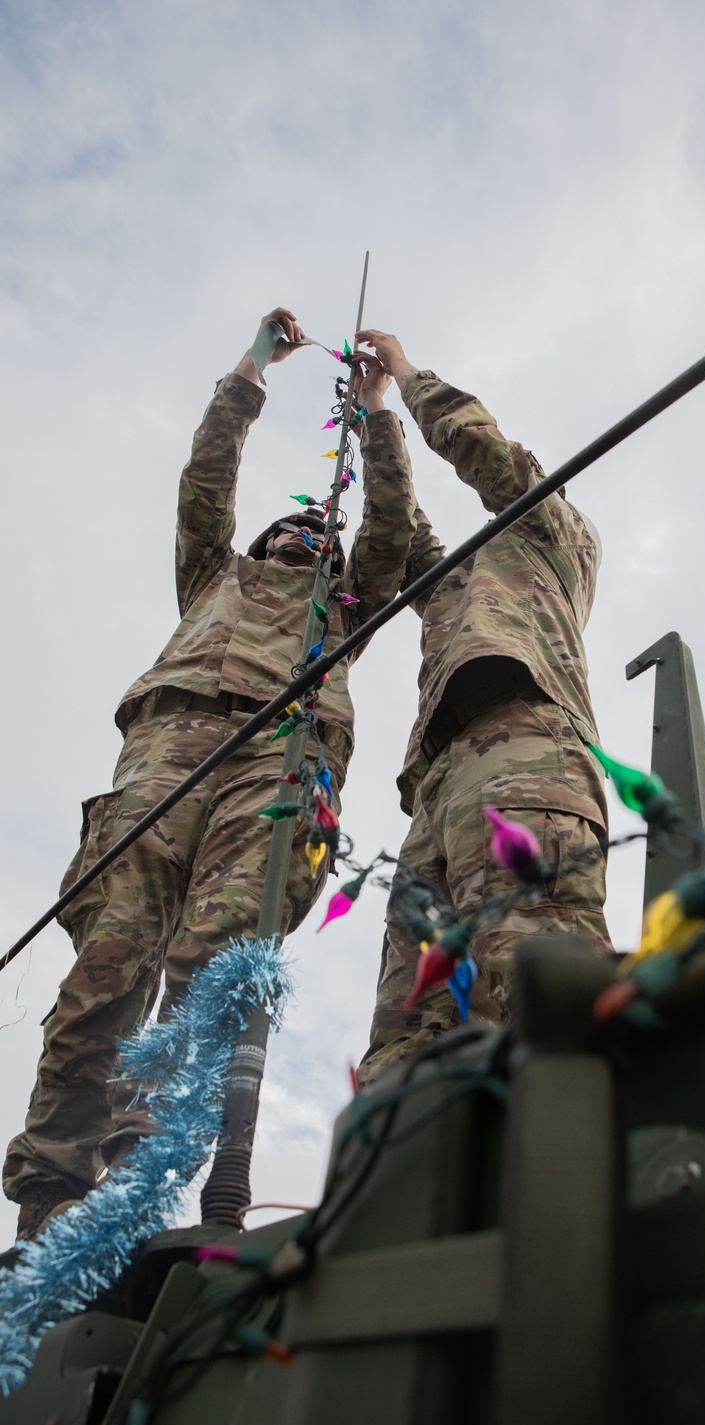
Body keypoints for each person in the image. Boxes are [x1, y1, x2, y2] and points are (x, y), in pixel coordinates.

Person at [3, 309, 414, 1245]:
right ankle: (47, 1207)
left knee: (210, 969)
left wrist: (377, 408)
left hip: (277, 762)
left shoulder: (343, 613)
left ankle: (130, 1193)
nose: (309, 533)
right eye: (293, 526)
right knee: (101, 980)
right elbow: (207, 476)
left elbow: (386, 519)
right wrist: (255, 368)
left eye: (324, 532)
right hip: (161, 762)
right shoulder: (213, 579)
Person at [352, 330, 611, 1084]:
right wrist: (373, 418)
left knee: (533, 967)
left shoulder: (555, 539)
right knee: (410, 1029)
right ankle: (412, 1177)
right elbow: (401, 536)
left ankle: (576, 1156)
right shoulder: (454, 589)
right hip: (439, 781)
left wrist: (404, 374)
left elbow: (483, 450)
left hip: (527, 742)